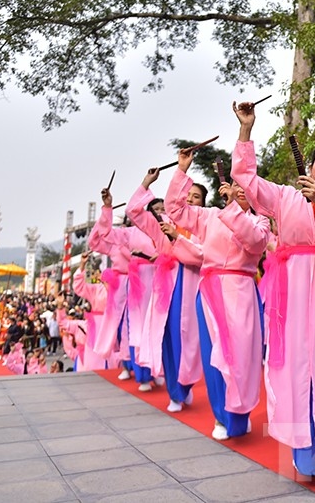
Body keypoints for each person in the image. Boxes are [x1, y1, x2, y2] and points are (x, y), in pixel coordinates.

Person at [233, 101, 315, 477]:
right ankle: (302, 445)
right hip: (290, 292)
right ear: (310, 166)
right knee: (293, 364)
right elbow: (247, 181)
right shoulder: (286, 197)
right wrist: (246, 129)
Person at [167, 156, 267, 440]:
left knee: (242, 359)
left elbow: (254, 242)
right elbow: (175, 209)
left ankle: (240, 413)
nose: (238, 191)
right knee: (215, 356)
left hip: (240, 291)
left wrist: (234, 209)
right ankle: (222, 417)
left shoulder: (260, 222)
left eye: (244, 188)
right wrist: (182, 169)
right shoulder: (209, 215)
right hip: (209, 292)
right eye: (235, 185)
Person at [129, 170, 204, 414]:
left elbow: (203, 254)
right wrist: (146, 183)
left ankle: (187, 382)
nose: (191, 200)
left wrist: (180, 242)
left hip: (195, 286)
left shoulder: (206, 225)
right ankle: (175, 390)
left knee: (193, 343)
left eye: (196, 197)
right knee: (170, 340)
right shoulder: (165, 224)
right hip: (168, 288)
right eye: (188, 195)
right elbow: (135, 212)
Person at [89, 185, 157, 391]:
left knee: (149, 325)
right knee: (125, 327)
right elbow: (97, 238)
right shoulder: (121, 237)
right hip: (123, 286)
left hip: (148, 281)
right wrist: (106, 210)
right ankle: (130, 366)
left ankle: (152, 370)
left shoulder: (155, 232)